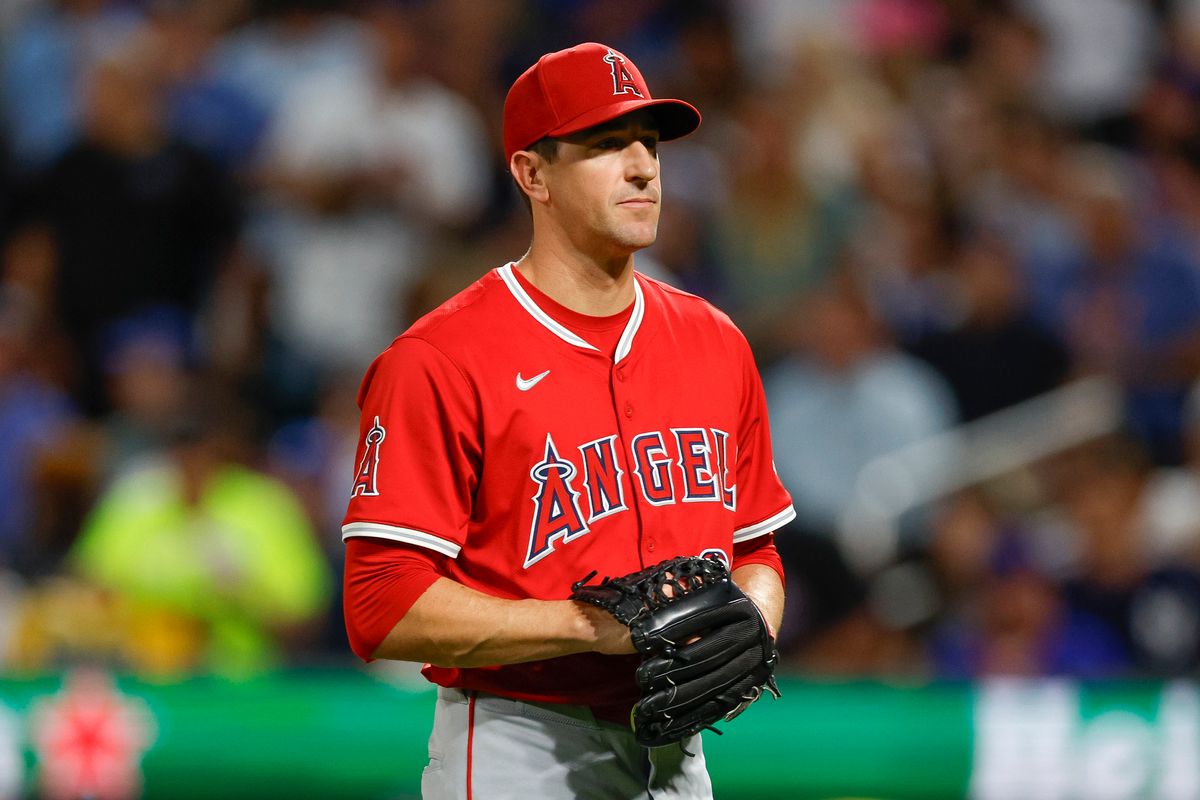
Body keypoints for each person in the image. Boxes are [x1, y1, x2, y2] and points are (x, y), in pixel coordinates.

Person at [341, 42, 795, 799]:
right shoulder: (441, 357)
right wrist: (594, 629)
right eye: (606, 145)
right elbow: (381, 605)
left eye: (649, 143)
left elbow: (757, 549)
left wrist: (753, 621)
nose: (643, 167)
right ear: (531, 173)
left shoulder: (716, 341)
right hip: (525, 743)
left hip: (681, 752)